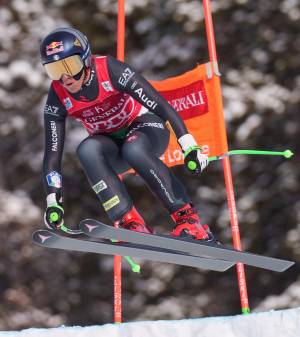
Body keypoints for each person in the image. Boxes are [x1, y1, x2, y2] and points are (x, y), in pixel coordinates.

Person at [40, 27, 215, 242]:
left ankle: (188, 218)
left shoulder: (109, 69)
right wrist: (52, 200)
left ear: (85, 60)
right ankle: (129, 222)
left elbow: (163, 107)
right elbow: (53, 153)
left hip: (146, 129)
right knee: (87, 150)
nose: (65, 77)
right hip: (112, 146)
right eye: (55, 70)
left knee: (134, 148)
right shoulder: (57, 95)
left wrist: (189, 146)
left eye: (70, 65)